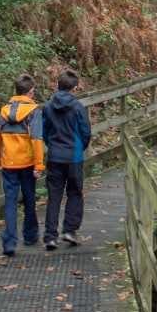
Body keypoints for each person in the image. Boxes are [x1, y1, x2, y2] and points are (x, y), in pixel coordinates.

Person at [0, 74, 45, 256]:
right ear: (31, 91)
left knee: (10, 201)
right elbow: (36, 139)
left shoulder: (4, 112)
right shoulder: (34, 112)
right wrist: (39, 166)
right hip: (27, 163)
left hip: (9, 163)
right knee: (29, 199)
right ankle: (30, 234)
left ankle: (10, 241)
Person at [42, 69, 92, 248]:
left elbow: (45, 131)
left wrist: (53, 146)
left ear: (58, 86)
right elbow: (86, 132)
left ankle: (50, 236)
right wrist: (80, 147)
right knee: (75, 193)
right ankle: (70, 230)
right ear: (75, 88)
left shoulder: (48, 106)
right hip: (73, 156)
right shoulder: (77, 107)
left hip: (55, 156)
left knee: (54, 195)